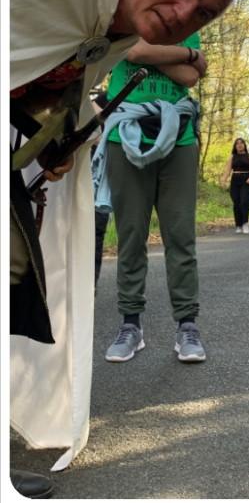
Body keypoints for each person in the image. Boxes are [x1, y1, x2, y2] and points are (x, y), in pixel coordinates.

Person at [10, 0, 238, 484]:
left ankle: (185, 323)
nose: (185, 13)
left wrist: (60, 137)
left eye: (203, 15)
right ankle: (130, 323)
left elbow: (43, 78)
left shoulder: (117, 23)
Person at [92, 34, 208, 364]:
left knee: (180, 236)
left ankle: (187, 325)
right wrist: (185, 54)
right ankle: (131, 326)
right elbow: (135, 48)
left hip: (180, 136)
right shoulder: (130, 14)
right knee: (130, 235)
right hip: (123, 134)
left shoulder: (187, 21)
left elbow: (189, 77)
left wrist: (148, 55)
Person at [222, 138, 249, 234]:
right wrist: (223, 180)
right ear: (235, 146)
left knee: (244, 201)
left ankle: (245, 223)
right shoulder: (232, 157)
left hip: (246, 180)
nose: (239, 145)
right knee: (236, 202)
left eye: (241, 143)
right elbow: (227, 170)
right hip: (235, 180)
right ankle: (238, 225)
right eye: (237, 144)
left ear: (244, 145)